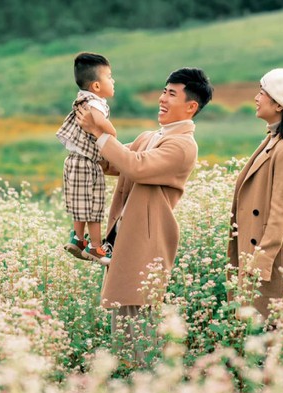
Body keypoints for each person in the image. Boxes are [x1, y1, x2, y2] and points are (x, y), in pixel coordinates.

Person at [76, 67, 213, 365]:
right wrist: (82, 141)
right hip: (127, 242)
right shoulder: (151, 136)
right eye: (164, 91)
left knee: (138, 332)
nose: (162, 99)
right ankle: (130, 391)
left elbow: (136, 166)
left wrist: (98, 132)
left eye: (172, 94)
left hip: (146, 247)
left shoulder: (182, 146)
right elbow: (114, 163)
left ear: (191, 107)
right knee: (122, 328)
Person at [228, 68, 283, 321]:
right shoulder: (276, 139)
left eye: (261, 92)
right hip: (266, 256)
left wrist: (260, 262)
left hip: (276, 261)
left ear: (278, 104)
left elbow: (281, 213)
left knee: (272, 336)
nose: (256, 98)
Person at [56, 52, 116, 265]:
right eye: (109, 77)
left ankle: (78, 239)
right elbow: (98, 122)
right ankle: (96, 247)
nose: (113, 80)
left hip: (73, 160)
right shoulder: (95, 102)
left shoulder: (82, 98)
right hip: (87, 162)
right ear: (96, 86)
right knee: (94, 206)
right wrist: (112, 131)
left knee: (79, 203)